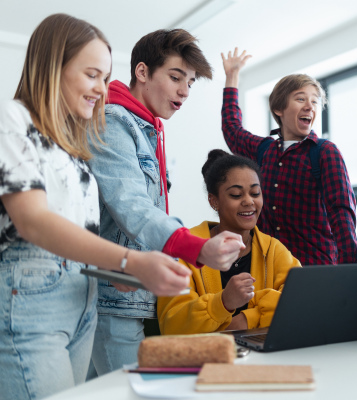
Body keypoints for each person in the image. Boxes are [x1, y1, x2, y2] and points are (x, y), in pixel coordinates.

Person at [0, 14, 192, 400]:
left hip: (83, 298)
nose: (102, 90)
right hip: (32, 299)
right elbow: (34, 221)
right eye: (92, 75)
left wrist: (108, 266)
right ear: (53, 68)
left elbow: (75, 235)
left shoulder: (72, 150)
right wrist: (130, 261)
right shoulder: (12, 119)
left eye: (105, 78)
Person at [86, 30, 244, 376]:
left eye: (189, 82)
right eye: (175, 77)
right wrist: (196, 248)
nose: (184, 91)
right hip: (115, 297)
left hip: (131, 292)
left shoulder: (147, 128)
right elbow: (132, 207)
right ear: (142, 72)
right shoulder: (115, 122)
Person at [221, 48, 357, 266]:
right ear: (278, 108)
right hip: (269, 271)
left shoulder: (325, 152)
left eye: (314, 102)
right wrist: (232, 78)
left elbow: (342, 213)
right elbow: (232, 129)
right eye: (300, 98)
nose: (309, 106)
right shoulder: (265, 150)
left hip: (313, 270)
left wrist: (351, 270)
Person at [158, 149, 301, 334]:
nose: (249, 201)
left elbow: (302, 301)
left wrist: (247, 319)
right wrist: (223, 302)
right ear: (213, 201)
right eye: (236, 195)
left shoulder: (274, 250)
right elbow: (172, 323)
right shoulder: (184, 249)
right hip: (206, 358)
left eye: (255, 193)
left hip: (262, 357)